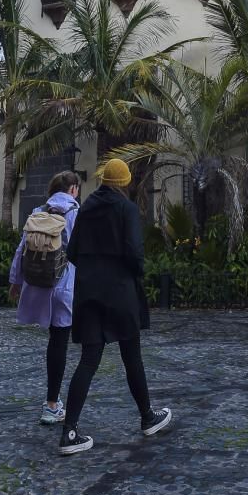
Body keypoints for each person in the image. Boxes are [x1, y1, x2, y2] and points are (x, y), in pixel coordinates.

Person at [58, 158, 172, 455]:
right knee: (131, 355)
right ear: (125, 182)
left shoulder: (85, 210)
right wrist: (132, 272)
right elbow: (135, 254)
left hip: (89, 294)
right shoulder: (127, 209)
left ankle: (69, 431)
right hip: (121, 293)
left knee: (88, 360)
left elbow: (72, 252)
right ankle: (147, 417)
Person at [8, 171, 81, 425]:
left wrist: (15, 282)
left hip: (38, 285)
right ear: (73, 189)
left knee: (54, 341)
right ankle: (53, 405)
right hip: (64, 284)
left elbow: (21, 250)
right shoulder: (74, 213)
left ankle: (52, 403)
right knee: (60, 341)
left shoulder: (38, 211)